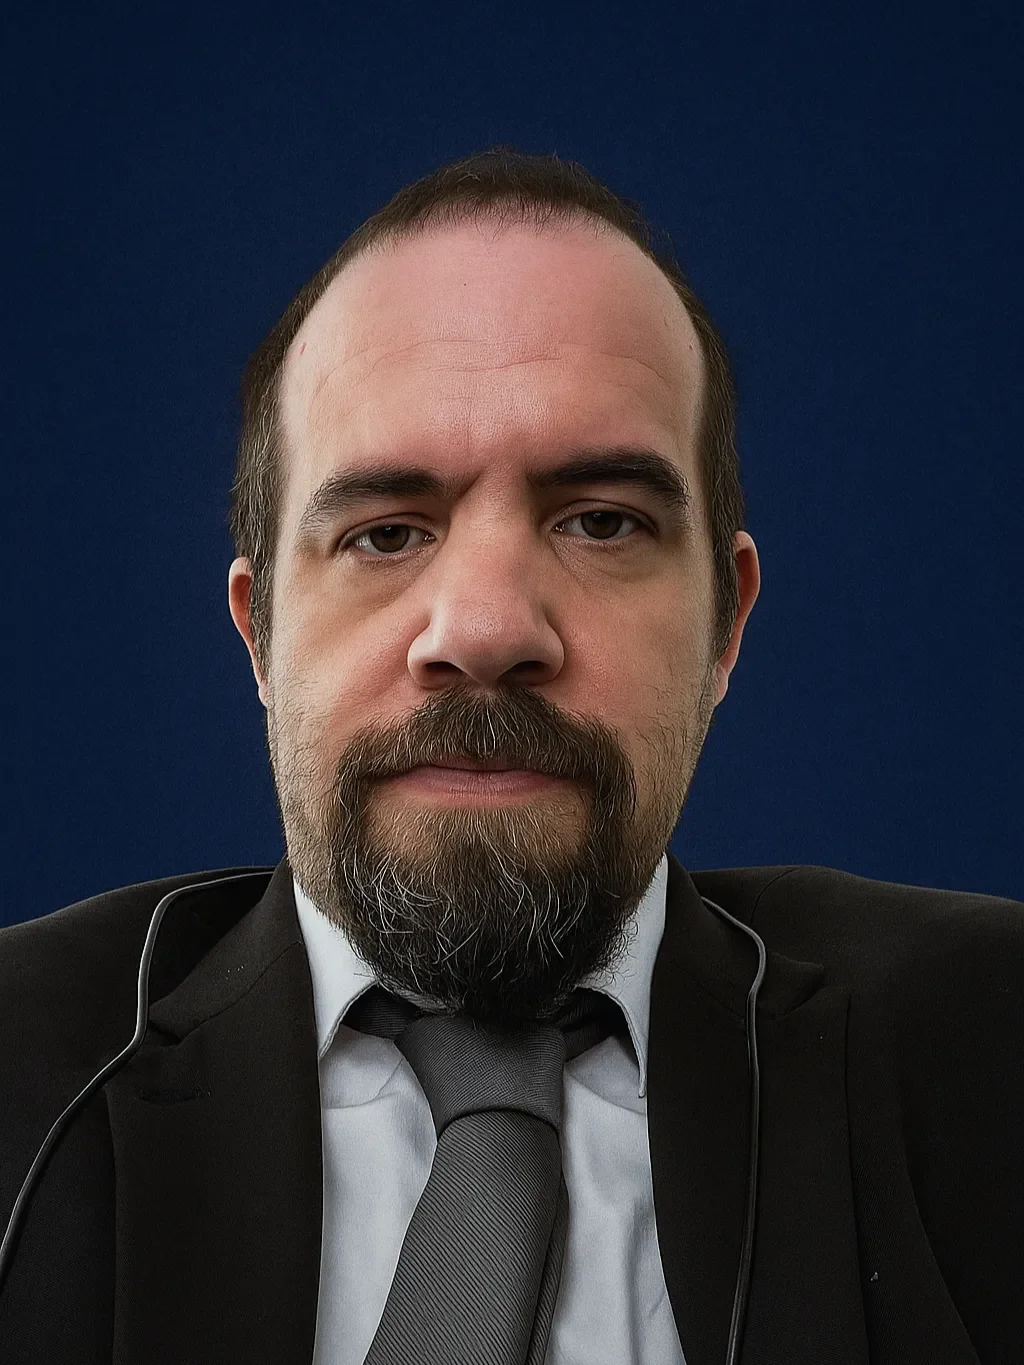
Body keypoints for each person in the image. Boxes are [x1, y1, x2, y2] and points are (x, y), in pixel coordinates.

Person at [1, 147, 1021, 1365]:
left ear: (726, 625)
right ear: (258, 634)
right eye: (385, 534)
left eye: (601, 522)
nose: (484, 629)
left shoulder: (989, 1052)